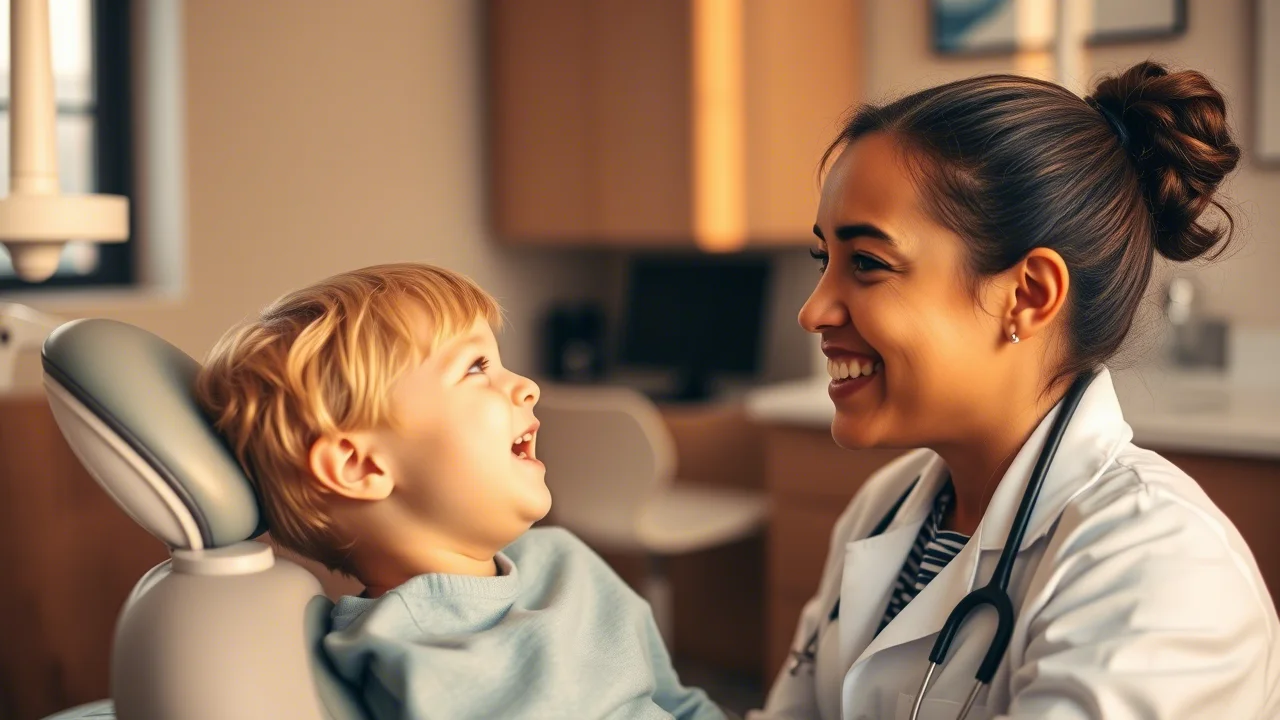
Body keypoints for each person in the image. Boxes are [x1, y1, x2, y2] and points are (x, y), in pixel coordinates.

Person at [750, 61, 1280, 719]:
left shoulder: (1162, 570)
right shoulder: (886, 508)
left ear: (1028, 295)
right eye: (822, 260)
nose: (813, 312)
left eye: (866, 263)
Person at [195, 263, 726, 720]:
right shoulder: (408, 658)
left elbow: (680, 705)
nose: (528, 386)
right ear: (359, 466)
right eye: (476, 367)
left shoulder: (567, 562)